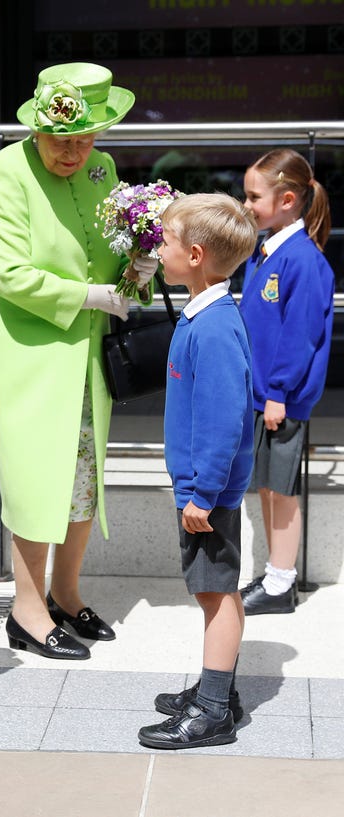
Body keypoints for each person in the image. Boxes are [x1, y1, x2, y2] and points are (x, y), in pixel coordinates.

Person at [0, 62, 158, 660]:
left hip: (88, 350)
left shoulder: (104, 169)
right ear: (36, 127)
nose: (74, 151)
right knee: (35, 477)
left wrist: (140, 268)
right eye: (62, 138)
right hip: (28, 349)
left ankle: (65, 592)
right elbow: (10, 275)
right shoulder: (2, 170)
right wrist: (89, 295)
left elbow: (111, 255)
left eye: (86, 137)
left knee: (85, 476)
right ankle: (25, 611)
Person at [137, 193, 258, 749]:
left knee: (215, 594)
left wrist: (202, 495)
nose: (157, 249)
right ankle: (218, 689)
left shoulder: (213, 328)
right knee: (218, 590)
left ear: (196, 254)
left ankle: (213, 710)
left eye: (164, 241)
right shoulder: (204, 315)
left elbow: (221, 422)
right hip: (204, 492)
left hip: (208, 497)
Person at [239, 148, 335, 615]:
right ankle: (276, 573)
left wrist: (278, 392)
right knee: (267, 486)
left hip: (281, 400)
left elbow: (300, 336)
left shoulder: (303, 261)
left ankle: (281, 583)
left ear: (288, 200)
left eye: (254, 197)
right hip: (262, 396)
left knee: (282, 490)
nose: (247, 205)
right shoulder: (265, 250)